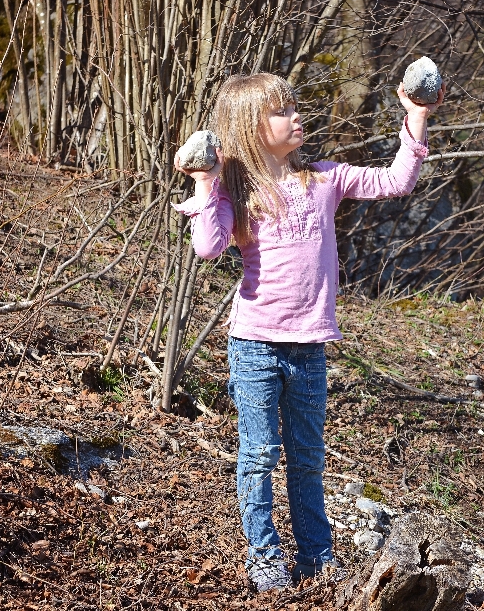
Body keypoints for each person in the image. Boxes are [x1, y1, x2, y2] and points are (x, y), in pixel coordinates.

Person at [173, 72, 445, 592]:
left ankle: (317, 558)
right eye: (282, 111)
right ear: (251, 127)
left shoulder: (326, 179)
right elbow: (207, 247)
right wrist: (204, 182)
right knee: (258, 455)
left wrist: (416, 115)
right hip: (254, 345)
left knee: (306, 459)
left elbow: (396, 181)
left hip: (310, 348)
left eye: (295, 107)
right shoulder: (238, 195)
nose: (297, 117)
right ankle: (263, 557)